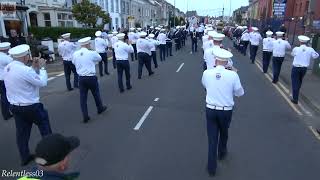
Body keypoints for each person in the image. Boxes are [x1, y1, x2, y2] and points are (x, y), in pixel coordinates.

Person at [4, 44, 52, 166]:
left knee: (22, 133)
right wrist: (42, 68)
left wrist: (34, 68)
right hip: (31, 106)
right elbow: (42, 82)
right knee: (45, 128)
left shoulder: (8, 67)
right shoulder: (25, 70)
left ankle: (24, 157)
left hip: (15, 106)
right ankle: (51, 154)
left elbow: (27, 77)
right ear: (25, 57)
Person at [202, 48, 244, 176]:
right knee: (224, 133)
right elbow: (240, 93)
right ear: (227, 63)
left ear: (215, 60)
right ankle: (221, 153)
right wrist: (234, 74)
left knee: (212, 138)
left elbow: (205, 85)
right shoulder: (233, 75)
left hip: (210, 109)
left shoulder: (207, 73)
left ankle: (211, 168)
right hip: (225, 111)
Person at [72, 37, 107, 123]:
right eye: (89, 44)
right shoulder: (91, 52)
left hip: (81, 78)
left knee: (83, 98)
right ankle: (100, 108)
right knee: (96, 93)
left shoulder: (75, 54)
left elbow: (73, 62)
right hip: (91, 77)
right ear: (87, 44)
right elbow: (99, 58)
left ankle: (85, 115)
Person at [290, 35, 319, 104]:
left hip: (296, 68)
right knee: (299, 81)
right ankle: (296, 92)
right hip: (304, 68)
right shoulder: (310, 49)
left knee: (295, 83)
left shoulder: (296, 48)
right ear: (306, 42)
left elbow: (292, 54)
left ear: (300, 41)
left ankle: (295, 99)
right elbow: (316, 56)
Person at [0, 42, 13, 120]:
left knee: (3, 96)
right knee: (6, 96)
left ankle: (5, 114)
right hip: (4, 79)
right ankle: (7, 113)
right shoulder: (7, 58)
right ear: (6, 49)